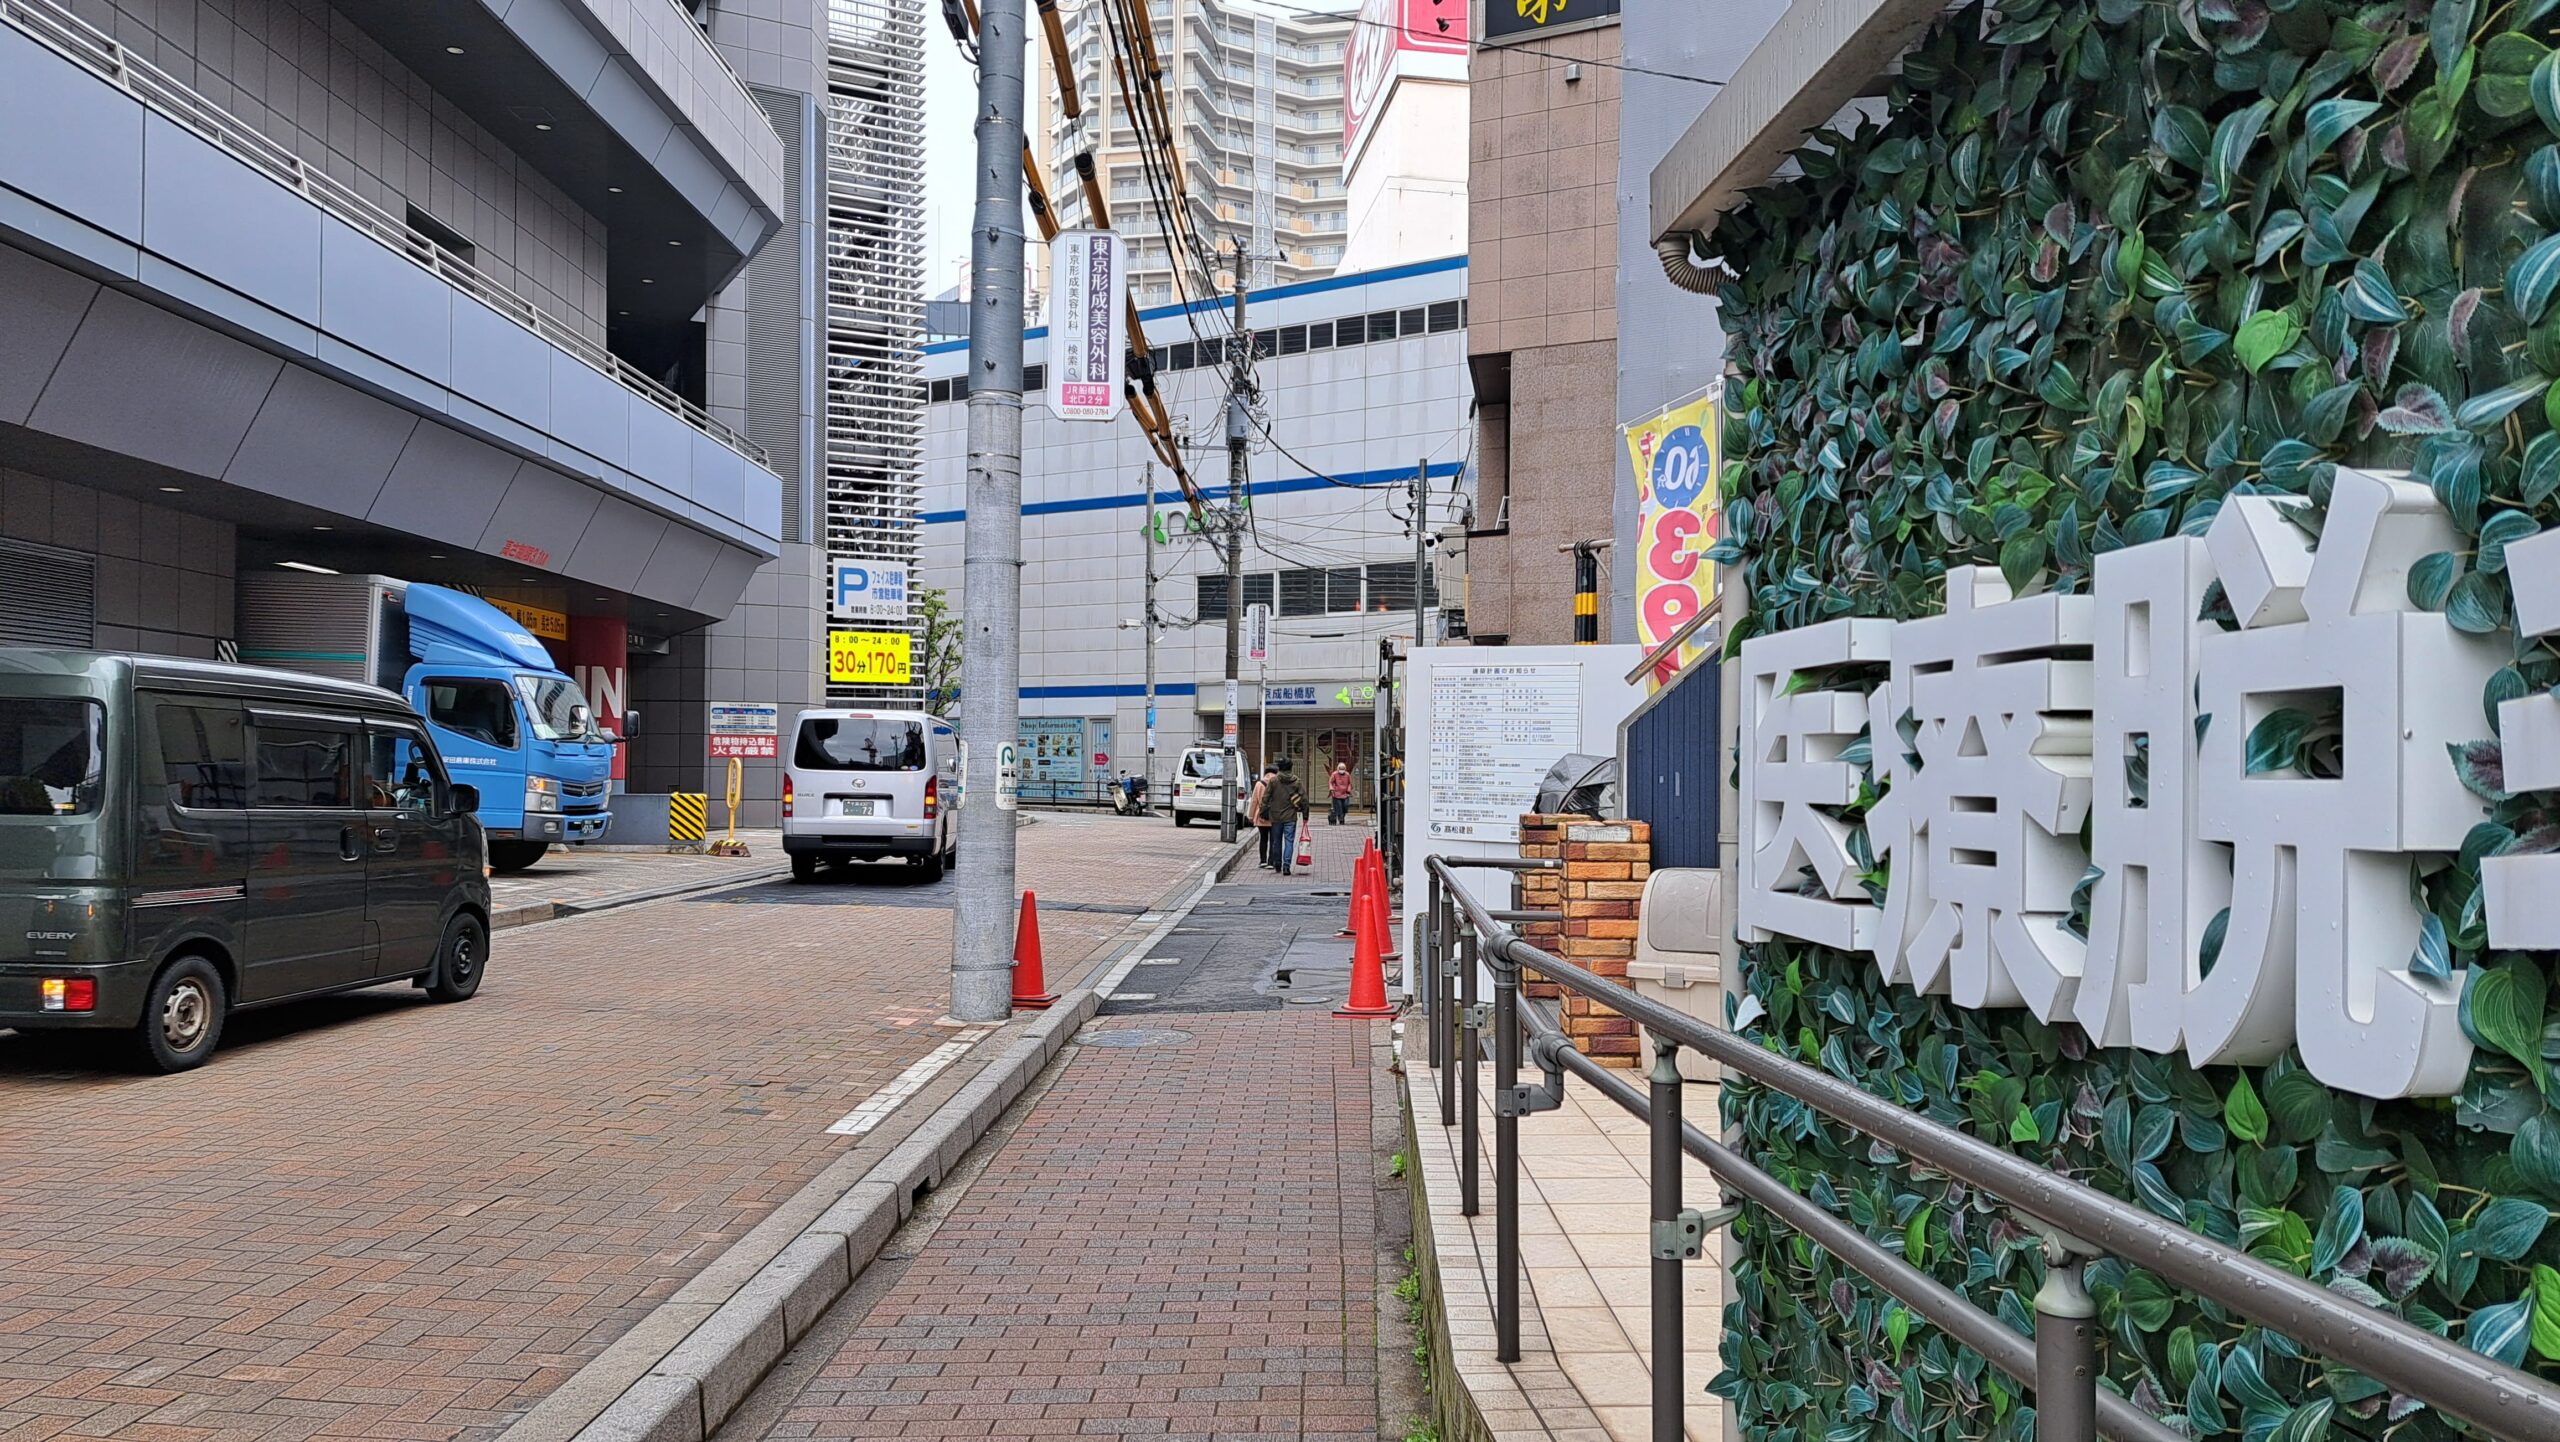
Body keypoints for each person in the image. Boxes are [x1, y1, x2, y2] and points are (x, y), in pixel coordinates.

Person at [1266, 758, 1310, 876]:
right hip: (1290, 816)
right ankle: (1286, 865)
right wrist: (1305, 815)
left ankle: (1277, 863)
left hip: (1276, 816)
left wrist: (1263, 811)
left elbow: (1266, 797)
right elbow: (1304, 800)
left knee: (1276, 841)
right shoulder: (1296, 781)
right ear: (1291, 767)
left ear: (1279, 768)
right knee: (1289, 841)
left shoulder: (1273, 781)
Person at [1248, 765, 1277, 868]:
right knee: (1273, 840)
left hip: (1262, 815)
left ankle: (1263, 861)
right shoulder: (1278, 783)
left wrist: (1250, 816)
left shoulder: (1259, 784)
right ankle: (1271, 862)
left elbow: (1254, 801)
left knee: (1263, 839)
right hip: (1275, 816)